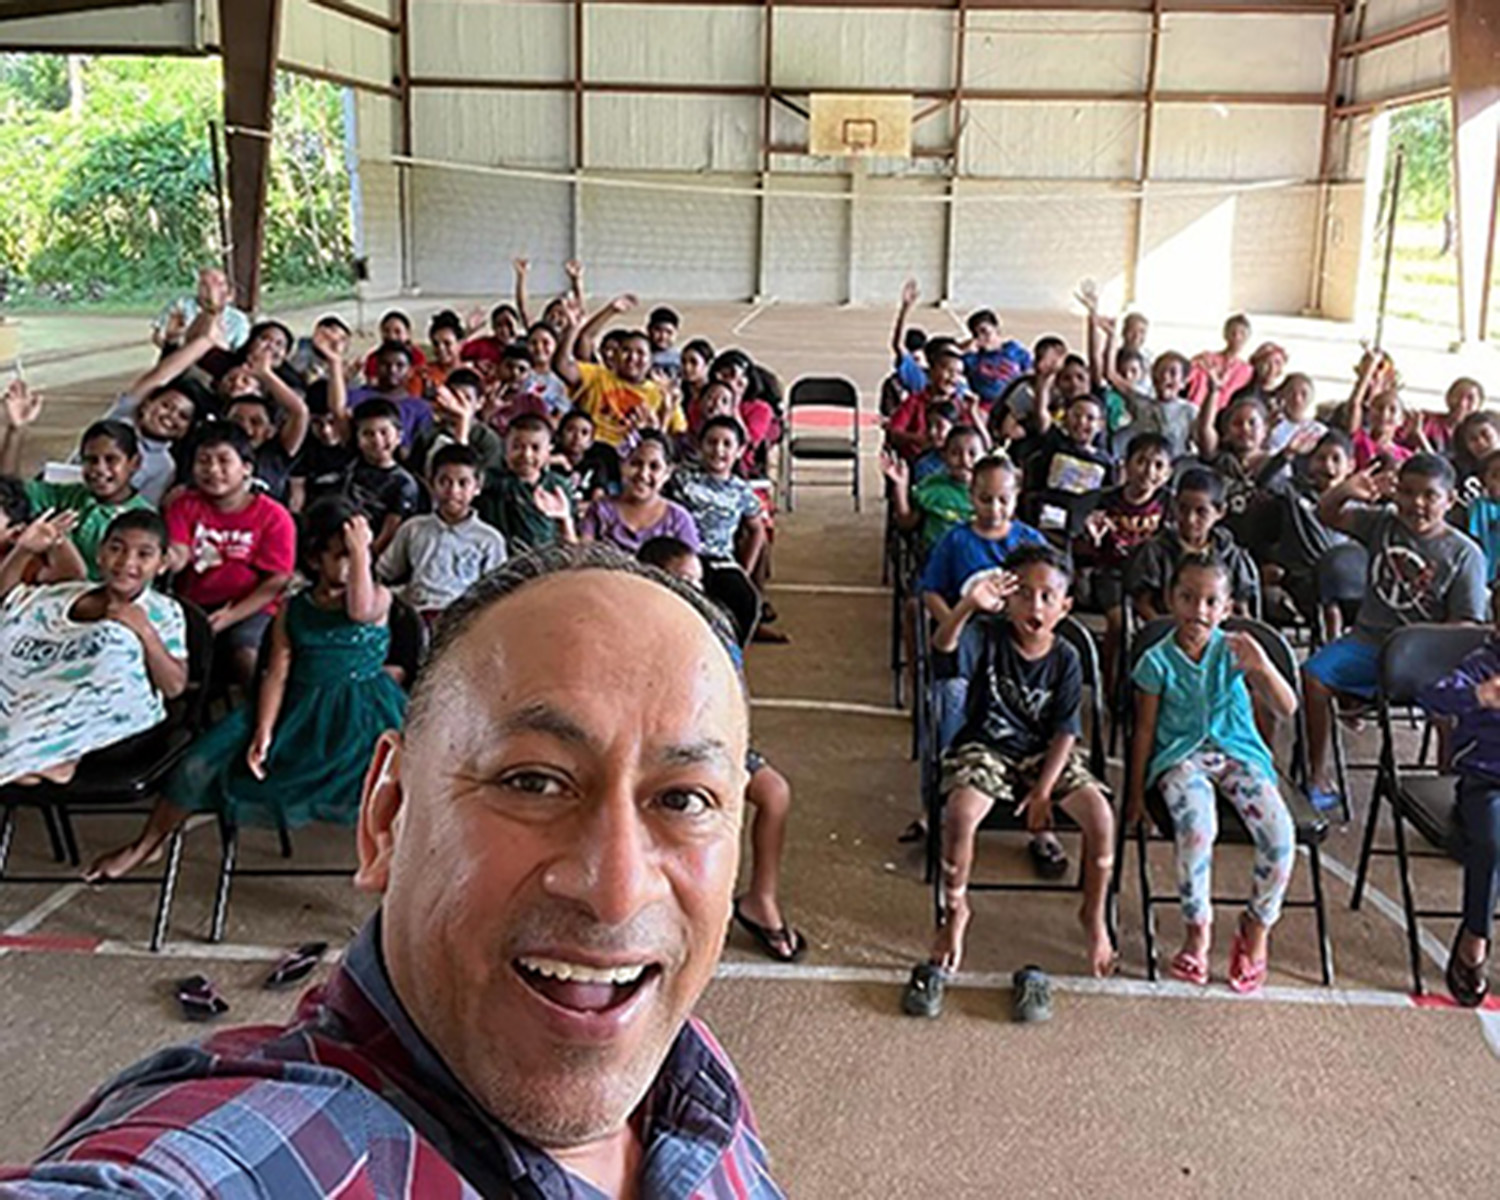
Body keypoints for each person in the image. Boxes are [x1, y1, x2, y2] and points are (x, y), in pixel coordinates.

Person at [10, 544, 783, 1197]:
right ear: (386, 815)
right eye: (533, 782)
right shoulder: (268, 1154)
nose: (617, 891)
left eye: (683, 797)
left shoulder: (692, 1077)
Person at [85, 500, 407, 882]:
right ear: (316, 560)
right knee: (198, 762)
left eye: (361, 557)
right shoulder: (294, 607)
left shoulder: (378, 598)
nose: (356, 565)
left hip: (364, 712)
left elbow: (358, 610)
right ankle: (146, 846)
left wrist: (358, 550)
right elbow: (277, 672)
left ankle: (397, 871)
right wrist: (264, 731)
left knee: (402, 782)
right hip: (297, 708)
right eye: (342, 556)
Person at [902, 545, 1117, 1020]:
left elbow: (1066, 730)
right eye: (1025, 595)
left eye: (1048, 597)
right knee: (959, 813)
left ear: (1065, 606)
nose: (1035, 607)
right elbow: (942, 653)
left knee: (1101, 815)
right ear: (1007, 599)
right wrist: (966, 607)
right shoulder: (984, 634)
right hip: (986, 749)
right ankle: (955, 911)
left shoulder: (1066, 656)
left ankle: (1094, 915)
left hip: (1046, 756)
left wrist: (1043, 790)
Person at [1127, 554, 1297, 994]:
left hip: (1239, 755)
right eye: (1187, 598)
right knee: (1197, 829)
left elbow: (1286, 707)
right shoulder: (1156, 661)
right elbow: (1144, 730)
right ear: (1171, 599)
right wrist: (1135, 796)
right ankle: (1196, 930)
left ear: (1226, 608)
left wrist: (1260, 667)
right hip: (1180, 759)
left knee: (1280, 835)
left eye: (1209, 602)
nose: (1197, 611)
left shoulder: (1236, 651)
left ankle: (1256, 927)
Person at [640, 535, 805, 963]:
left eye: (696, 582)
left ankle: (760, 899)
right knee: (691, 810)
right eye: (678, 581)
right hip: (650, 750)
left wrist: (729, 751)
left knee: (774, 793)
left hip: (711, 744)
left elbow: (734, 700)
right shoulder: (634, 633)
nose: (691, 592)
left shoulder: (715, 627)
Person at [1303, 454, 1488, 809]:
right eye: (1406, 492)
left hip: (1425, 656)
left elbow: (1465, 625)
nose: (1416, 504)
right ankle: (1317, 773)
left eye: (1429, 496)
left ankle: (1445, 793)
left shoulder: (1465, 555)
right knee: (1313, 677)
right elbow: (1325, 513)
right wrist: (1344, 490)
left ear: (1449, 501)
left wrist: (1415, 644)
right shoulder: (1383, 525)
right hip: (1368, 642)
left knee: (1447, 711)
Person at [0, 509, 186, 787]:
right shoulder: (64, 592)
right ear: (100, 553)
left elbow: (174, 687)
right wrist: (24, 550)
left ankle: (43, 754)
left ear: (161, 564)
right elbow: (9, 603)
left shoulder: (163, 611)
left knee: (118, 646)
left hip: (100, 717)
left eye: (144, 554)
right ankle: (42, 761)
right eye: (116, 549)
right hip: (28, 698)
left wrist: (145, 632)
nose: (126, 562)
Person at [163, 424, 296, 690]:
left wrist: (231, 615)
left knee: (244, 653)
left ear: (246, 467)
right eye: (203, 461)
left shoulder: (274, 516)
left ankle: (256, 715)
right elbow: (179, 550)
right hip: (193, 604)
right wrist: (163, 560)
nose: (212, 470)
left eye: (224, 461)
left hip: (251, 605)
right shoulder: (183, 506)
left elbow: (276, 581)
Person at [1417, 630, 1500, 1006]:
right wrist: (1478, 696)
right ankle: (1474, 939)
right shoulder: (1480, 664)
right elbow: (1431, 695)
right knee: (1492, 842)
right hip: (1485, 783)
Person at [3, 412, 155, 582]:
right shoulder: (68, 496)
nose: (99, 469)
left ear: (135, 463)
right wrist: (15, 430)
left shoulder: (144, 520)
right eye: (91, 460)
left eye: (111, 460)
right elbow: (9, 493)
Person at [376, 444, 509, 619]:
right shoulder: (414, 528)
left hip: (462, 620)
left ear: (477, 486)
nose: (453, 491)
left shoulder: (489, 539)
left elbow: (497, 592)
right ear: (431, 484)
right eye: (444, 482)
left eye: (463, 483)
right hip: (417, 614)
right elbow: (385, 571)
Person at [1124, 468, 1258, 621]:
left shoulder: (1231, 555)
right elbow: (1143, 603)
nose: (1190, 519)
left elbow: (1241, 607)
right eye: (1183, 509)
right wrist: (1169, 631)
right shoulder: (1154, 551)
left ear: (1220, 512)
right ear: (1174, 505)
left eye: (1201, 512)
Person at [554, 295, 683, 448]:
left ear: (650, 361)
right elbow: (562, 366)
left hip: (632, 459)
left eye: (640, 353)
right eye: (626, 351)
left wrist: (655, 424)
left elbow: (677, 435)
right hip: (591, 451)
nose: (632, 358)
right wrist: (573, 329)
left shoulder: (661, 392)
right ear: (615, 356)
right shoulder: (597, 375)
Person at [581, 431, 700, 555]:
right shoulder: (600, 510)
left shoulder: (678, 519)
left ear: (667, 473)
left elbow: (689, 568)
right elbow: (583, 557)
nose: (643, 474)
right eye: (635, 464)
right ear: (621, 465)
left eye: (654, 467)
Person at [477, 413, 578, 552]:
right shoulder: (491, 480)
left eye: (535, 448)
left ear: (549, 449)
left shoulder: (558, 486)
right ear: (505, 448)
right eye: (517, 446)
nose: (526, 455)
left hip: (545, 564)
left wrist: (564, 517)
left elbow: (571, 545)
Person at [881, 425, 986, 555]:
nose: (964, 460)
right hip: (939, 559)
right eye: (955, 453)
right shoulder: (932, 487)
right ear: (944, 456)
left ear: (984, 457)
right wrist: (901, 486)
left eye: (972, 453)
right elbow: (906, 522)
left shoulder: (991, 490)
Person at [340, 399, 423, 558]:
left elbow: (390, 531)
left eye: (384, 432)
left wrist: (365, 556)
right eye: (368, 434)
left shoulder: (404, 483)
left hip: (380, 554)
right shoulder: (352, 466)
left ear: (399, 436)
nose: (377, 440)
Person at [350, 339, 432, 448]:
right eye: (385, 364)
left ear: (410, 371)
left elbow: (422, 446)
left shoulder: (420, 407)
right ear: (376, 367)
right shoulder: (356, 396)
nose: (392, 370)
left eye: (400, 365)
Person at [648, 306, 683, 378]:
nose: (663, 336)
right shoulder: (638, 357)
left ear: (676, 332)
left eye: (669, 332)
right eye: (658, 330)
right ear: (649, 329)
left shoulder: (681, 360)